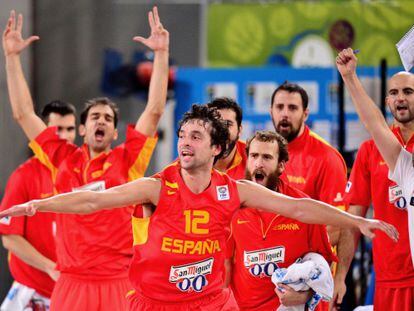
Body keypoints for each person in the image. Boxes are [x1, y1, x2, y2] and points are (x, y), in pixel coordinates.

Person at [0, 104, 398, 311]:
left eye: (195, 135)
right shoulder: (157, 187)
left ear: (217, 148)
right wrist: (36, 205)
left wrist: (357, 222)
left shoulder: (234, 189)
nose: (185, 141)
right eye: (182, 134)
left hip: (210, 302)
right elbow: (92, 200)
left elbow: (300, 208)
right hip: (153, 302)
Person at [3, 7, 169, 310]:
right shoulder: (61, 157)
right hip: (72, 280)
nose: (101, 121)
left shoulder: (129, 159)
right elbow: (23, 114)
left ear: (116, 132)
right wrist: (12, 58)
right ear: (82, 127)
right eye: (94, 117)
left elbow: (155, 110)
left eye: (108, 118)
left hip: (120, 280)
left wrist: (161, 54)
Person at [337, 47, 414, 310]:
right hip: (388, 276)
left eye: (408, 91)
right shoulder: (381, 153)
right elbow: (354, 215)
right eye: (394, 93)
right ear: (387, 101)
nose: (400, 98)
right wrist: (340, 274)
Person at [228, 130, 336, 310]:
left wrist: (305, 295)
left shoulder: (303, 209)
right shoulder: (231, 205)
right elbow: (224, 266)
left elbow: (323, 268)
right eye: (254, 156)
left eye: (267, 157)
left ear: (281, 166)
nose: (258, 163)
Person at [270, 82, 354, 308]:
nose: (285, 114)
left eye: (293, 108)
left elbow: (340, 225)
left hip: (311, 279)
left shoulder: (326, 157)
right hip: (270, 271)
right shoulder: (263, 155)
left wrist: (340, 278)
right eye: (279, 107)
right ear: (271, 111)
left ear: (305, 113)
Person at [0, 100, 76, 311]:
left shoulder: (82, 172)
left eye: (69, 129)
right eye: (57, 129)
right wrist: (51, 268)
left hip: (74, 292)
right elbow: (9, 238)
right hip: (34, 293)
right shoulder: (24, 176)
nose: (64, 136)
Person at [208, 97, 247, 179]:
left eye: (227, 124)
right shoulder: (187, 163)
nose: (222, 131)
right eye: (216, 124)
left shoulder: (254, 157)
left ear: (239, 130)